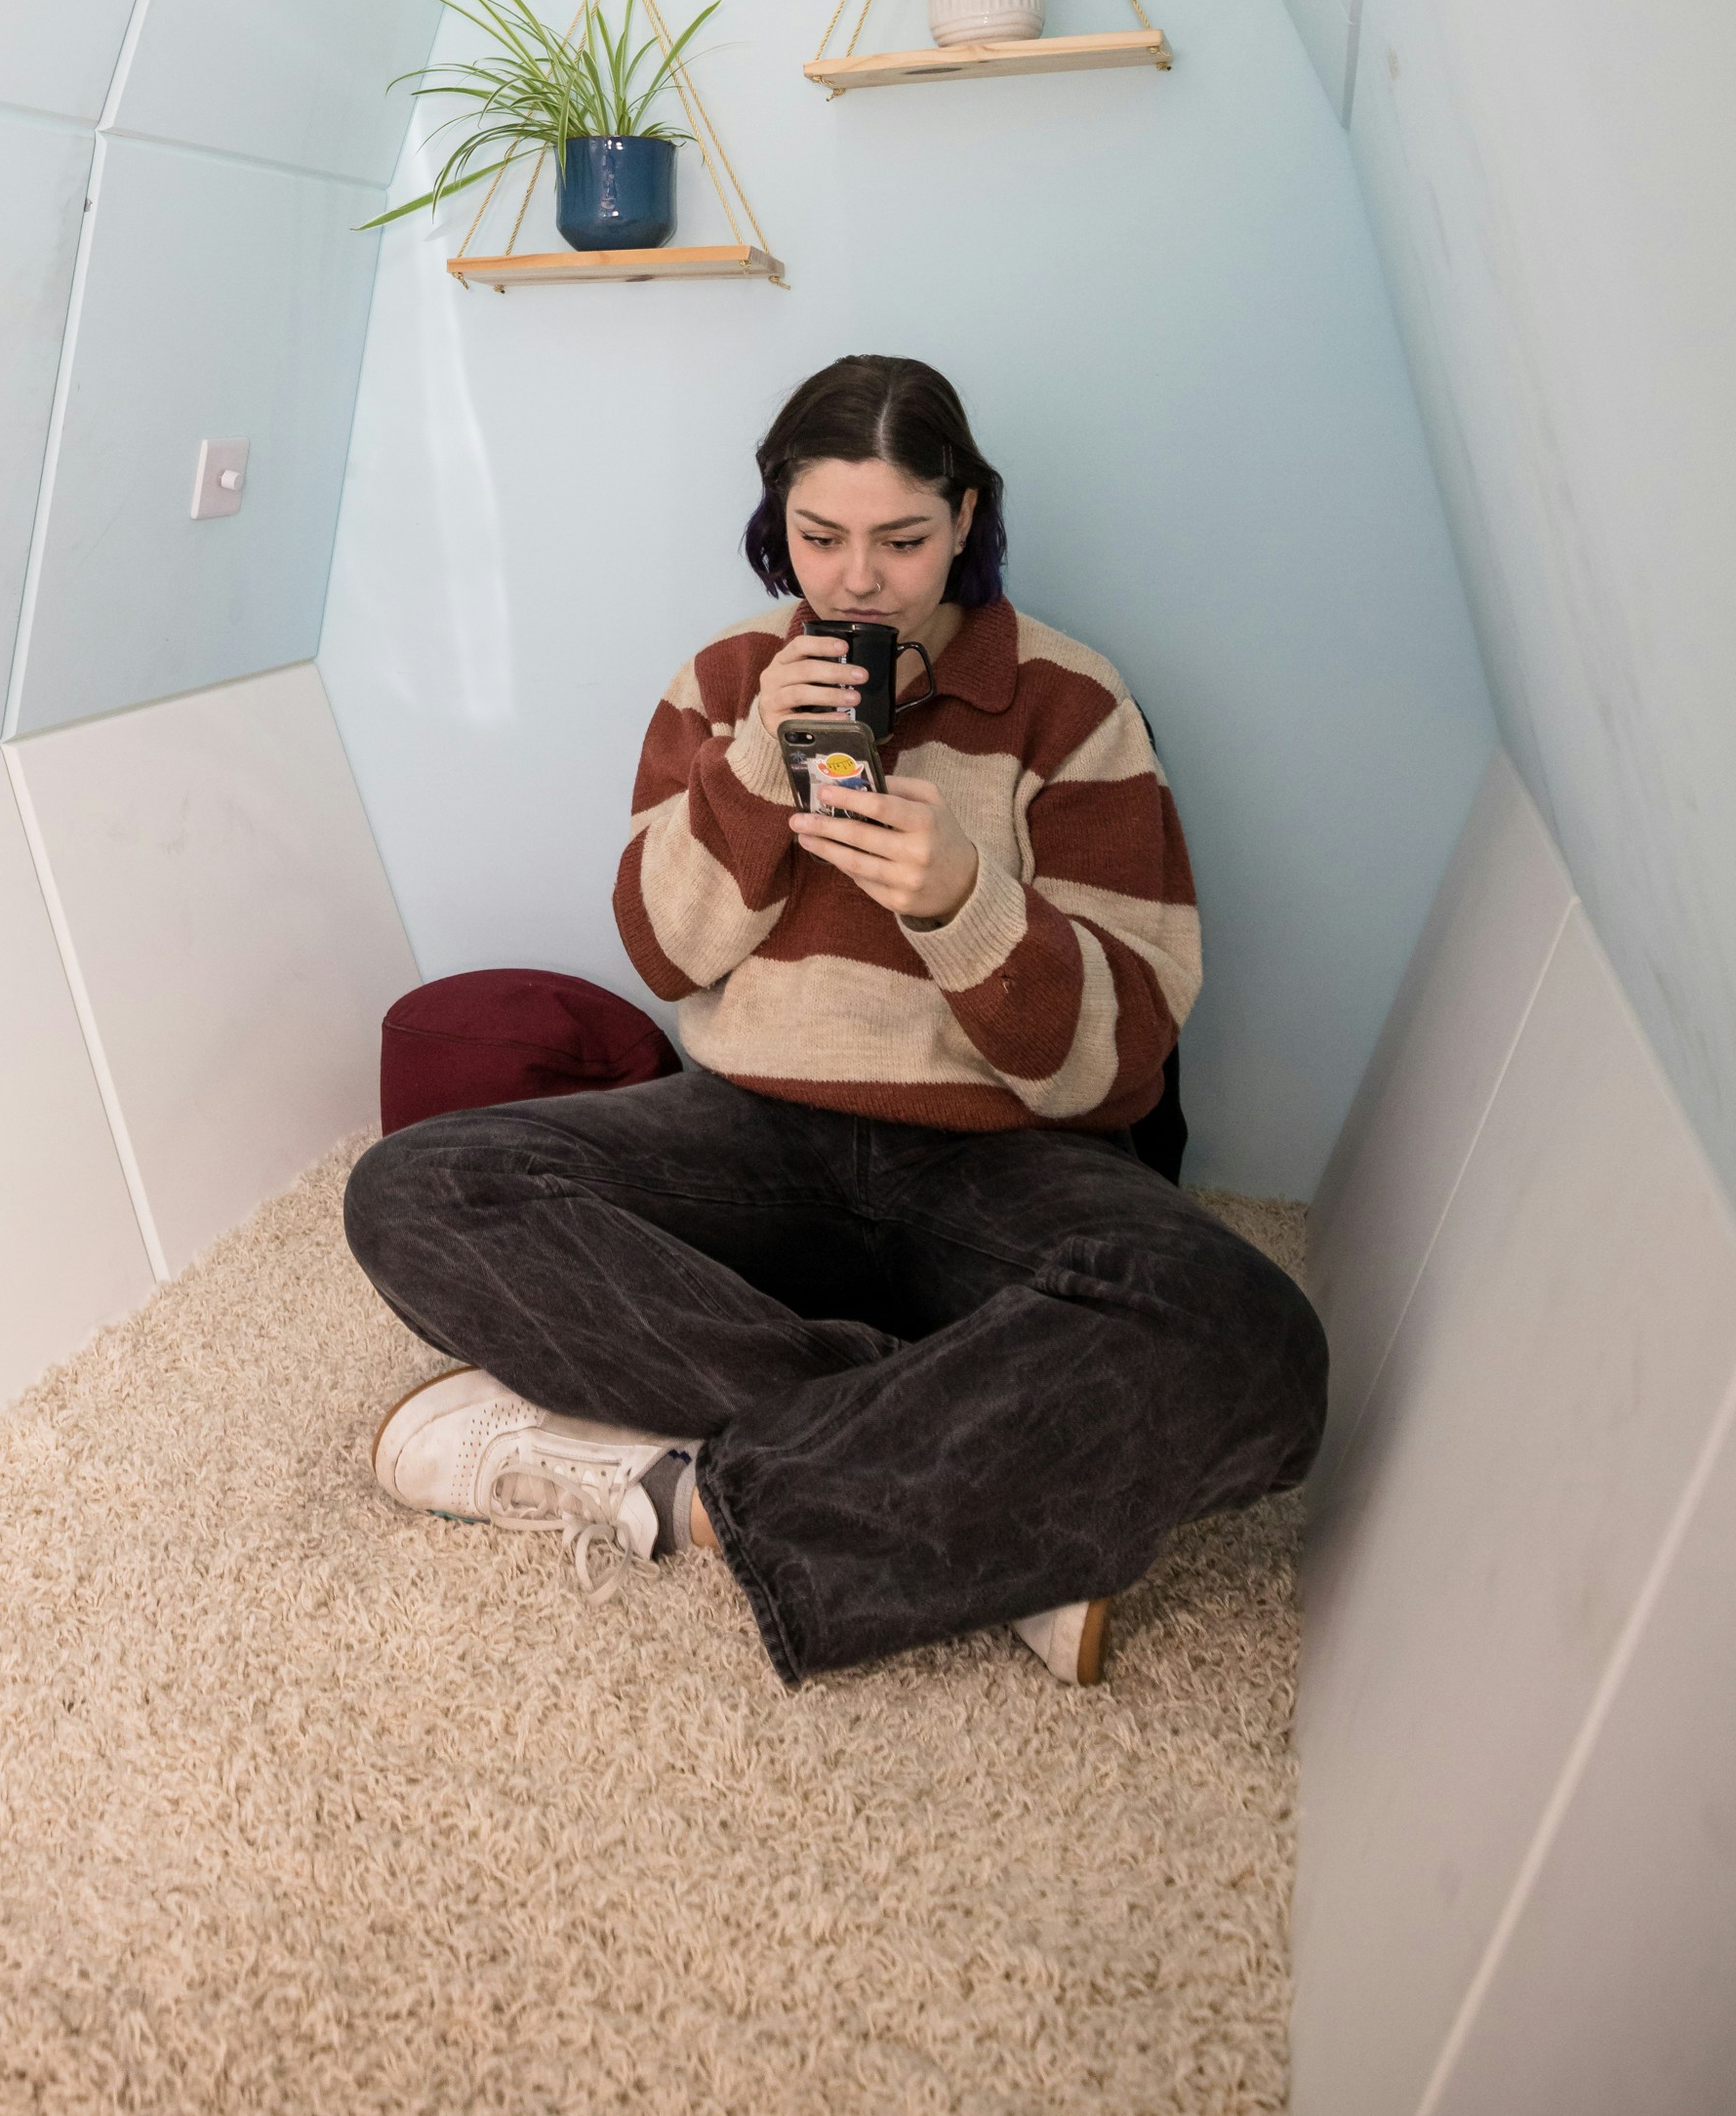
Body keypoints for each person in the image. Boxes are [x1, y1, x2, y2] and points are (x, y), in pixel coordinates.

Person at [343, 354, 1326, 1687]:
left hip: (1001, 1160)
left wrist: (969, 904)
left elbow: (1116, 1065)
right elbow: (662, 953)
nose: (856, 580)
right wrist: (752, 764)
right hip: (749, 1136)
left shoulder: (1071, 704)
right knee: (417, 1188)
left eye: (902, 541)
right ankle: (975, 1465)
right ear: (777, 523)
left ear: (966, 519)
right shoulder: (721, 680)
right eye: (819, 539)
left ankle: (679, 1491)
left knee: (1247, 1338)